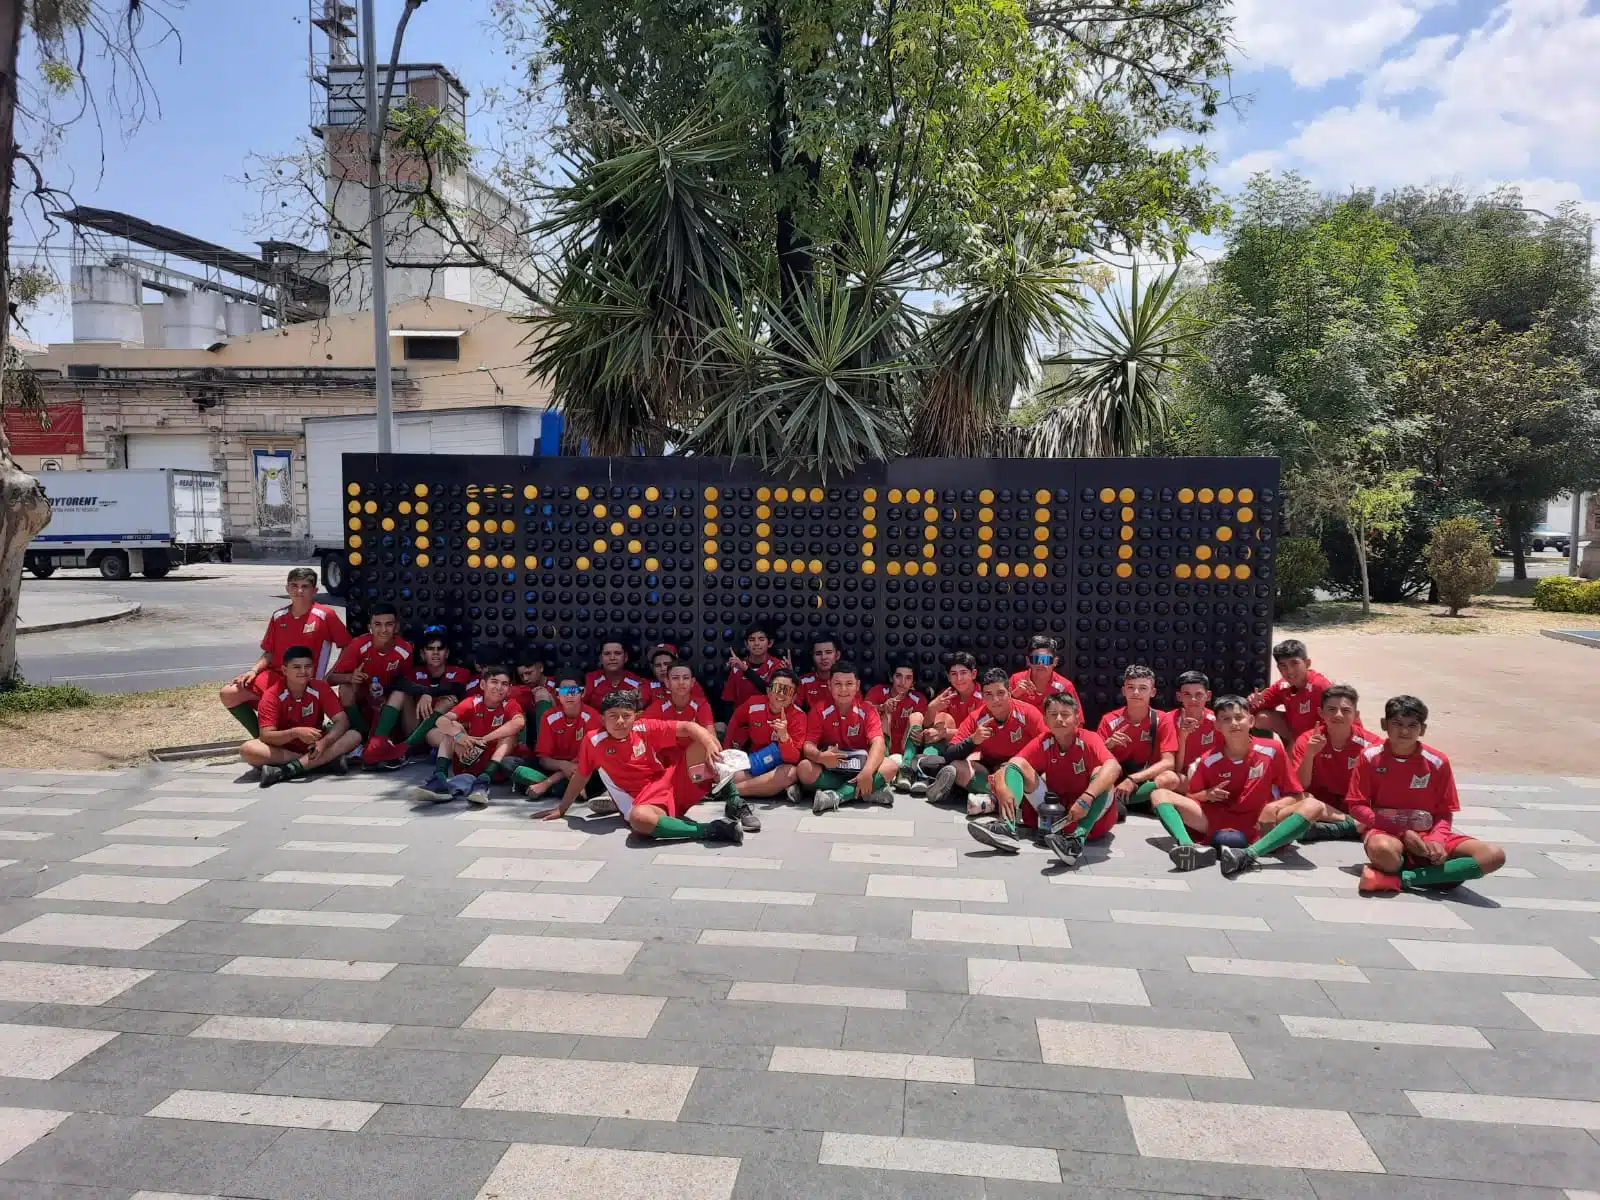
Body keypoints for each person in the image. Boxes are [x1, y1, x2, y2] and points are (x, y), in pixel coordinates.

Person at [539, 688, 744, 846]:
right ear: (602, 719)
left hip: (669, 783)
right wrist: (562, 808)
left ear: (635, 716)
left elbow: (687, 727)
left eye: (626, 715)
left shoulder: (643, 727)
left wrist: (709, 742)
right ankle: (712, 830)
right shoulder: (593, 742)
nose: (620, 721)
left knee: (701, 741)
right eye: (613, 716)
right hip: (643, 801)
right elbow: (581, 776)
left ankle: (734, 801)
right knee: (639, 820)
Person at [1346, 695, 1506, 894]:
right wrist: (1402, 832)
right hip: (1387, 830)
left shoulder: (1437, 761)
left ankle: (1400, 879)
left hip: (1428, 832)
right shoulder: (1369, 757)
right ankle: (1439, 874)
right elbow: (1357, 806)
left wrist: (1437, 840)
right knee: (1382, 849)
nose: (1404, 731)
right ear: (1384, 724)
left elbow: (1445, 811)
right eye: (1397, 724)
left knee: (1493, 855)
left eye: (1412, 725)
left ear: (1423, 729)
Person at [1148, 694, 1322, 876]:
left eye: (1239, 717)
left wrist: (1274, 806)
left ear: (1251, 720)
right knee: (1159, 794)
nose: (1234, 723)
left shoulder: (1272, 749)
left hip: (1260, 821)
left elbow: (1295, 794)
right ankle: (1188, 848)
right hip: (1217, 820)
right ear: (1217, 726)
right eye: (1226, 719)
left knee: (1313, 804)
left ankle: (1249, 854)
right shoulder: (1208, 760)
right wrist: (1208, 794)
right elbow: (1193, 796)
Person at [971, 693, 1122, 865]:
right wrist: (1002, 788)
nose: (1059, 719)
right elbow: (1012, 765)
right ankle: (1008, 829)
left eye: (1065, 715)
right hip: (1054, 814)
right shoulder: (1044, 741)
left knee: (1103, 773)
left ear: (1076, 718)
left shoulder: (1089, 739)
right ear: (1046, 719)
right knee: (1018, 764)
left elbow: (1114, 767)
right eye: (1053, 714)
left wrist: (1087, 798)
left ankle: (1075, 843)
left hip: (1089, 816)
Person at [219, 567, 349, 737]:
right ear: (287, 589)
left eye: (305, 586)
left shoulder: (326, 615)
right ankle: (263, 740)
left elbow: (347, 646)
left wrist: (330, 676)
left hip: (305, 681)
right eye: (294, 586)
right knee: (229, 694)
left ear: (315, 590)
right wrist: (253, 670)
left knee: (302, 730)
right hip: (275, 678)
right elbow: (269, 652)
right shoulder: (278, 616)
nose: (299, 591)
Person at [920, 668, 1046, 815]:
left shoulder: (1028, 713)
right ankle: (996, 799)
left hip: (1020, 769)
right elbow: (950, 754)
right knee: (956, 766)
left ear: (1009, 692)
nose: (995, 700)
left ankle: (992, 800)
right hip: (989, 770)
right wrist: (973, 740)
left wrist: (1017, 765)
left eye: (1000, 693)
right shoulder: (977, 717)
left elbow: (1047, 746)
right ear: (983, 697)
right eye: (989, 695)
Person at [241, 645, 362, 787]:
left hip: (316, 746)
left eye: (308, 666)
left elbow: (342, 721)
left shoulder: (320, 687)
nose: (303, 672)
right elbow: (266, 735)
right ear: (285, 670)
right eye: (297, 667)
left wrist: (324, 742)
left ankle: (287, 770)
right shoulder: (272, 695)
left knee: (354, 736)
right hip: (284, 750)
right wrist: (295, 733)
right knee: (247, 749)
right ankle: (321, 763)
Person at [410, 665, 525, 807]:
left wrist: (484, 739)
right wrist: (459, 736)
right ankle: (440, 778)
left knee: (510, 736)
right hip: (471, 757)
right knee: (451, 729)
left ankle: (484, 780)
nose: (499, 687)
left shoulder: (510, 704)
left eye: (504, 684)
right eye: (494, 682)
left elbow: (519, 722)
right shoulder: (473, 701)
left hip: (497, 765)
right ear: (483, 684)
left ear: (509, 688)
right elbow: (441, 720)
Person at [795, 661, 899, 813]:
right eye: (838, 684)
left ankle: (836, 796)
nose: (843, 689)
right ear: (829, 685)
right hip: (831, 766)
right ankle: (866, 791)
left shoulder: (867, 710)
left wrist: (868, 771)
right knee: (804, 769)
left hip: (860, 766)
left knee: (891, 766)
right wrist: (821, 757)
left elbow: (878, 742)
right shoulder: (819, 710)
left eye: (849, 683)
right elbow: (808, 745)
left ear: (857, 685)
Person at [1290, 683, 1379, 844]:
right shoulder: (1307, 740)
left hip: (1356, 807)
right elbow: (1300, 786)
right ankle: (1352, 825)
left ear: (1355, 715)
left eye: (1346, 711)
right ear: (1321, 713)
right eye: (1331, 710)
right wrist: (1310, 753)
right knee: (1300, 798)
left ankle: (1340, 828)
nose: (1338, 715)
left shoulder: (1371, 744)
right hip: (1321, 806)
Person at [326, 602, 412, 746]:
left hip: (387, 703)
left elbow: (408, 682)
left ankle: (385, 742)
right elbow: (329, 679)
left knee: (404, 693)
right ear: (370, 628)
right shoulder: (358, 645)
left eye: (389, 624)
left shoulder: (405, 649)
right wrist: (350, 677)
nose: (383, 630)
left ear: (396, 627)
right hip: (362, 702)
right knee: (346, 688)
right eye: (378, 624)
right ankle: (361, 735)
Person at [1096, 664, 1179, 814]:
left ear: (1152, 692)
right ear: (1123, 690)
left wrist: (1134, 779)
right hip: (1116, 781)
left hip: (1143, 781)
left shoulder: (1162, 719)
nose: (1136, 692)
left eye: (1142, 688)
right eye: (1131, 687)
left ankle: (1116, 801)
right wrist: (1108, 745)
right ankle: (1115, 799)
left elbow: (1169, 762)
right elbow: (1095, 760)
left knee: (1171, 778)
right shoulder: (1109, 719)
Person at [512, 668, 601, 804]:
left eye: (574, 691)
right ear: (558, 694)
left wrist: (546, 784)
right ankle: (567, 789)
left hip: (582, 769)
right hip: (555, 767)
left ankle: (544, 787)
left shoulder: (592, 717)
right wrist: (563, 765)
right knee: (510, 763)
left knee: (594, 775)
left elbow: (582, 763)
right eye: (564, 691)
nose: (569, 696)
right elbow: (543, 759)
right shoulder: (549, 716)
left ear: (582, 693)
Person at [901, 651, 983, 796]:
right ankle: (907, 770)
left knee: (943, 722)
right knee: (922, 717)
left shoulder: (982, 697)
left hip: (971, 749)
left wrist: (943, 733)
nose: (958, 678)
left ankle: (925, 771)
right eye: (953, 674)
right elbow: (927, 725)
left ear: (974, 674)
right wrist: (932, 708)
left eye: (963, 673)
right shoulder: (948, 693)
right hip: (947, 746)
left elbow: (978, 734)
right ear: (948, 676)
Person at [724, 667, 807, 802]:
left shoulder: (799, 716)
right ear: (769, 690)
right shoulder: (753, 703)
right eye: (777, 688)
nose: (781, 694)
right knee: (729, 774)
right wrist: (726, 750)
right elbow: (735, 721)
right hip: (755, 764)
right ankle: (767, 788)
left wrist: (784, 737)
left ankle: (731, 792)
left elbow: (794, 759)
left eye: (788, 690)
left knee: (790, 773)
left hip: (779, 768)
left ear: (794, 696)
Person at [1248, 639, 1331, 746]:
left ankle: (1295, 750)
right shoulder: (1283, 685)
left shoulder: (1321, 686)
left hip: (1320, 737)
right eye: (1283, 666)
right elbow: (1256, 705)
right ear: (1278, 668)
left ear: (1307, 663)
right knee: (1262, 717)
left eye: (1294, 663)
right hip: (1297, 732)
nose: (1289, 671)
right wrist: (1253, 702)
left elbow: (1339, 719)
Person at [866, 662, 926, 778]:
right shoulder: (878, 691)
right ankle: (884, 759)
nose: (902, 682)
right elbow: (863, 710)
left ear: (913, 682)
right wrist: (882, 707)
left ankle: (906, 766)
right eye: (898, 676)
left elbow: (925, 726)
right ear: (891, 677)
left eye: (908, 678)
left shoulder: (919, 699)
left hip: (905, 750)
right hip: (880, 752)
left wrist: (922, 736)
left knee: (916, 716)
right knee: (885, 714)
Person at [1008, 635, 1082, 715]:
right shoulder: (1015, 680)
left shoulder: (1065, 686)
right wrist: (1014, 695)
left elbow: (1077, 720)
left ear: (1055, 662)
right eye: (1036, 659)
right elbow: (999, 714)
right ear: (1028, 661)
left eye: (1045, 660)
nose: (1041, 664)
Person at [722, 624, 788, 706]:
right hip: (743, 716)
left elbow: (770, 692)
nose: (756, 643)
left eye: (761, 639)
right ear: (746, 644)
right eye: (752, 640)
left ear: (770, 643)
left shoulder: (778, 665)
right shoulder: (737, 667)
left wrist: (745, 669)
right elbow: (729, 699)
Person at [1170, 670, 1219, 778]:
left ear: (1208, 696)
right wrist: (1182, 737)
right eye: (1187, 694)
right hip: (1179, 779)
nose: (1193, 699)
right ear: (1179, 696)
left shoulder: (1217, 721)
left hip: (1208, 778)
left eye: (1199, 694)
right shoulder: (1167, 720)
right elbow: (1173, 769)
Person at [585, 640, 647, 708]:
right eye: (607, 654)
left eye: (617, 653)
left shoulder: (638, 683)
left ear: (625, 657)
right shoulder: (590, 679)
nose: (612, 658)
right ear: (601, 659)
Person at [510, 651, 555, 726]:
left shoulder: (557, 685)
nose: (525, 679)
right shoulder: (521, 690)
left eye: (529, 673)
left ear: (541, 668)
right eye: (521, 676)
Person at [797, 636, 841, 712]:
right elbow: (793, 708)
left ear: (837, 655)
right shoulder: (803, 682)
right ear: (813, 656)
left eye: (828, 652)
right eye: (818, 653)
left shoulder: (848, 681)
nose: (823, 657)